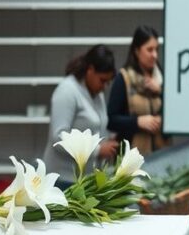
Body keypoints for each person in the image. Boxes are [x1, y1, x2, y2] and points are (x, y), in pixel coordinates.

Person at [43, 45, 119, 184]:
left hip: (85, 179)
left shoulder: (97, 93)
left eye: (108, 82)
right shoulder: (67, 91)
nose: (105, 86)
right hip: (61, 179)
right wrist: (97, 150)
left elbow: (96, 127)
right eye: (102, 80)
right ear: (90, 70)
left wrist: (108, 139)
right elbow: (58, 137)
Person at [108, 25, 169, 154]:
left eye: (157, 49)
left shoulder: (163, 78)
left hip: (162, 153)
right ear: (136, 51)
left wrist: (160, 91)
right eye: (149, 50)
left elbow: (178, 112)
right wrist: (138, 122)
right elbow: (111, 120)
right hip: (132, 157)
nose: (155, 55)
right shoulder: (124, 79)